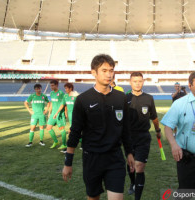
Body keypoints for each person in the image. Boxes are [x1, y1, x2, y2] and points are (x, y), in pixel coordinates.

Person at [62, 54, 134, 200]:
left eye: (111, 70)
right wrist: (68, 163)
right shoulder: (83, 99)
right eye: (104, 70)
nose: (109, 74)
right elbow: (75, 131)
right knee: (93, 197)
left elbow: (125, 129)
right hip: (92, 158)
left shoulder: (121, 97)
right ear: (94, 72)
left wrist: (129, 153)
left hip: (115, 158)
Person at [126, 72, 161, 199]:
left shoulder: (149, 98)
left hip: (143, 137)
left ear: (143, 82)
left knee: (139, 167)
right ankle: (132, 183)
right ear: (130, 82)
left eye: (140, 81)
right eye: (134, 81)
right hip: (128, 138)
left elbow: (154, 117)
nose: (137, 83)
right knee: (130, 165)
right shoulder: (125, 98)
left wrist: (157, 130)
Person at [53, 83, 79, 153]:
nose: (65, 90)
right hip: (71, 116)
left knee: (71, 131)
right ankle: (82, 144)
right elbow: (62, 105)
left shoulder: (76, 96)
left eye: (66, 88)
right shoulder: (65, 96)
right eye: (65, 88)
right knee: (75, 131)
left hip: (76, 116)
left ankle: (68, 148)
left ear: (71, 88)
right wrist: (56, 113)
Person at [46, 80, 67, 149]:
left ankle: (64, 144)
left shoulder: (61, 93)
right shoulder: (52, 93)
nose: (51, 87)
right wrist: (49, 112)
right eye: (51, 85)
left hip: (59, 114)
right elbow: (52, 102)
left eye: (53, 85)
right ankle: (56, 141)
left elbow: (63, 104)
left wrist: (61, 113)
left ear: (56, 85)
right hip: (53, 114)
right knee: (48, 127)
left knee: (61, 129)